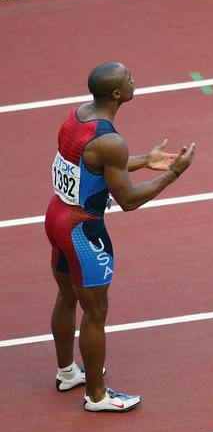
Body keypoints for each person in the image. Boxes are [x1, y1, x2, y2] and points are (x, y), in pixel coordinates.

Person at [45, 62, 196, 411]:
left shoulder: (77, 116)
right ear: (116, 94)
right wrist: (174, 172)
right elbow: (127, 200)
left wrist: (145, 160)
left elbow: (92, 163)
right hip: (83, 230)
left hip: (56, 216)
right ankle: (97, 396)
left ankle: (67, 372)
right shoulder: (111, 141)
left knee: (66, 296)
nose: (134, 81)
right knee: (95, 312)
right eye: (129, 79)